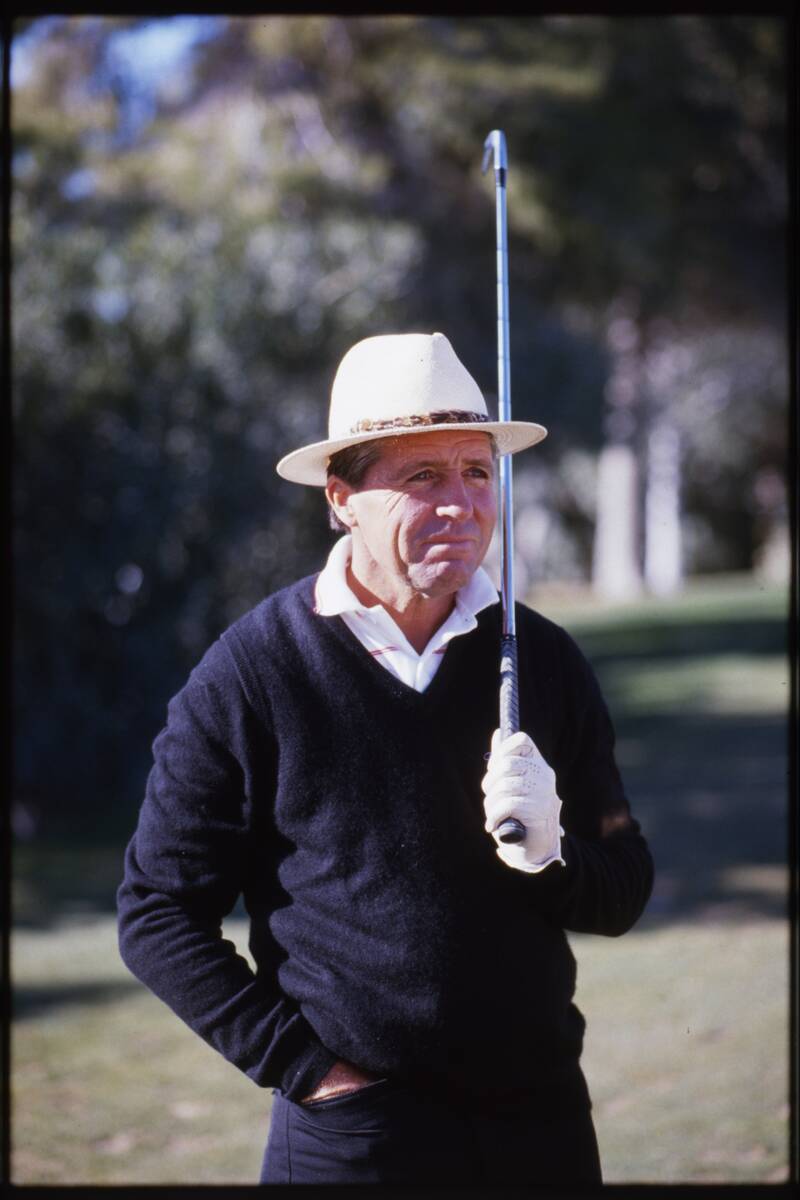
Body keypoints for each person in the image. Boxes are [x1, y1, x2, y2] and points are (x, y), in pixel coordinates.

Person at [117, 331, 654, 1186]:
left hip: (541, 1128)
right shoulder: (253, 671)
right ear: (341, 497)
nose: (462, 504)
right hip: (354, 1141)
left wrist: (554, 859)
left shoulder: (542, 659)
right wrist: (309, 1075)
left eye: (478, 472)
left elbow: (623, 888)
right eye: (421, 477)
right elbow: (156, 911)